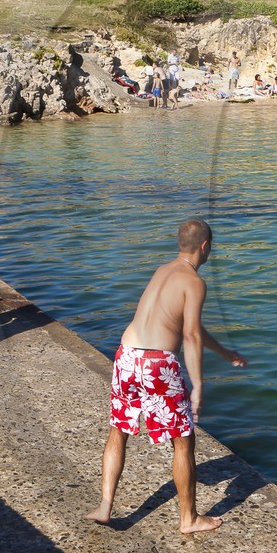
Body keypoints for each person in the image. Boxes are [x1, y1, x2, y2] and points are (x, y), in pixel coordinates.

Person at [86, 218, 247, 534]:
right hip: (157, 364)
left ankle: (105, 505)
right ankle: (188, 519)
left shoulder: (163, 270)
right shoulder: (195, 281)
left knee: (118, 431)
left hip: (126, 356)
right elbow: (189, 335)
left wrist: (225, 353)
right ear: (205, 246)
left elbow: (187, 325)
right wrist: (198, 385)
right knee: (183, 441)